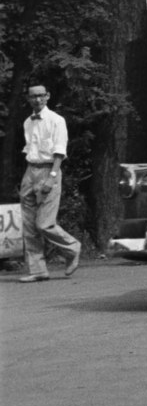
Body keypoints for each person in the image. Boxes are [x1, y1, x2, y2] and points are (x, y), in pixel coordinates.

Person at [17, 83, 79, 283]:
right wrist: (28, 177)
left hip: (49, 169)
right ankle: (38, 270)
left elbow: (59, 151)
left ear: (47, 96)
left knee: (44, 223)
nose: (37, 99)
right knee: (29, 225)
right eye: (33, 96)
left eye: (41, 95)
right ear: (28, 98)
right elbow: (29, 149)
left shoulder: (56, 120)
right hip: (30, 171)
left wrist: (52, 177)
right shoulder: (28, 122)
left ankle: (72, 248)